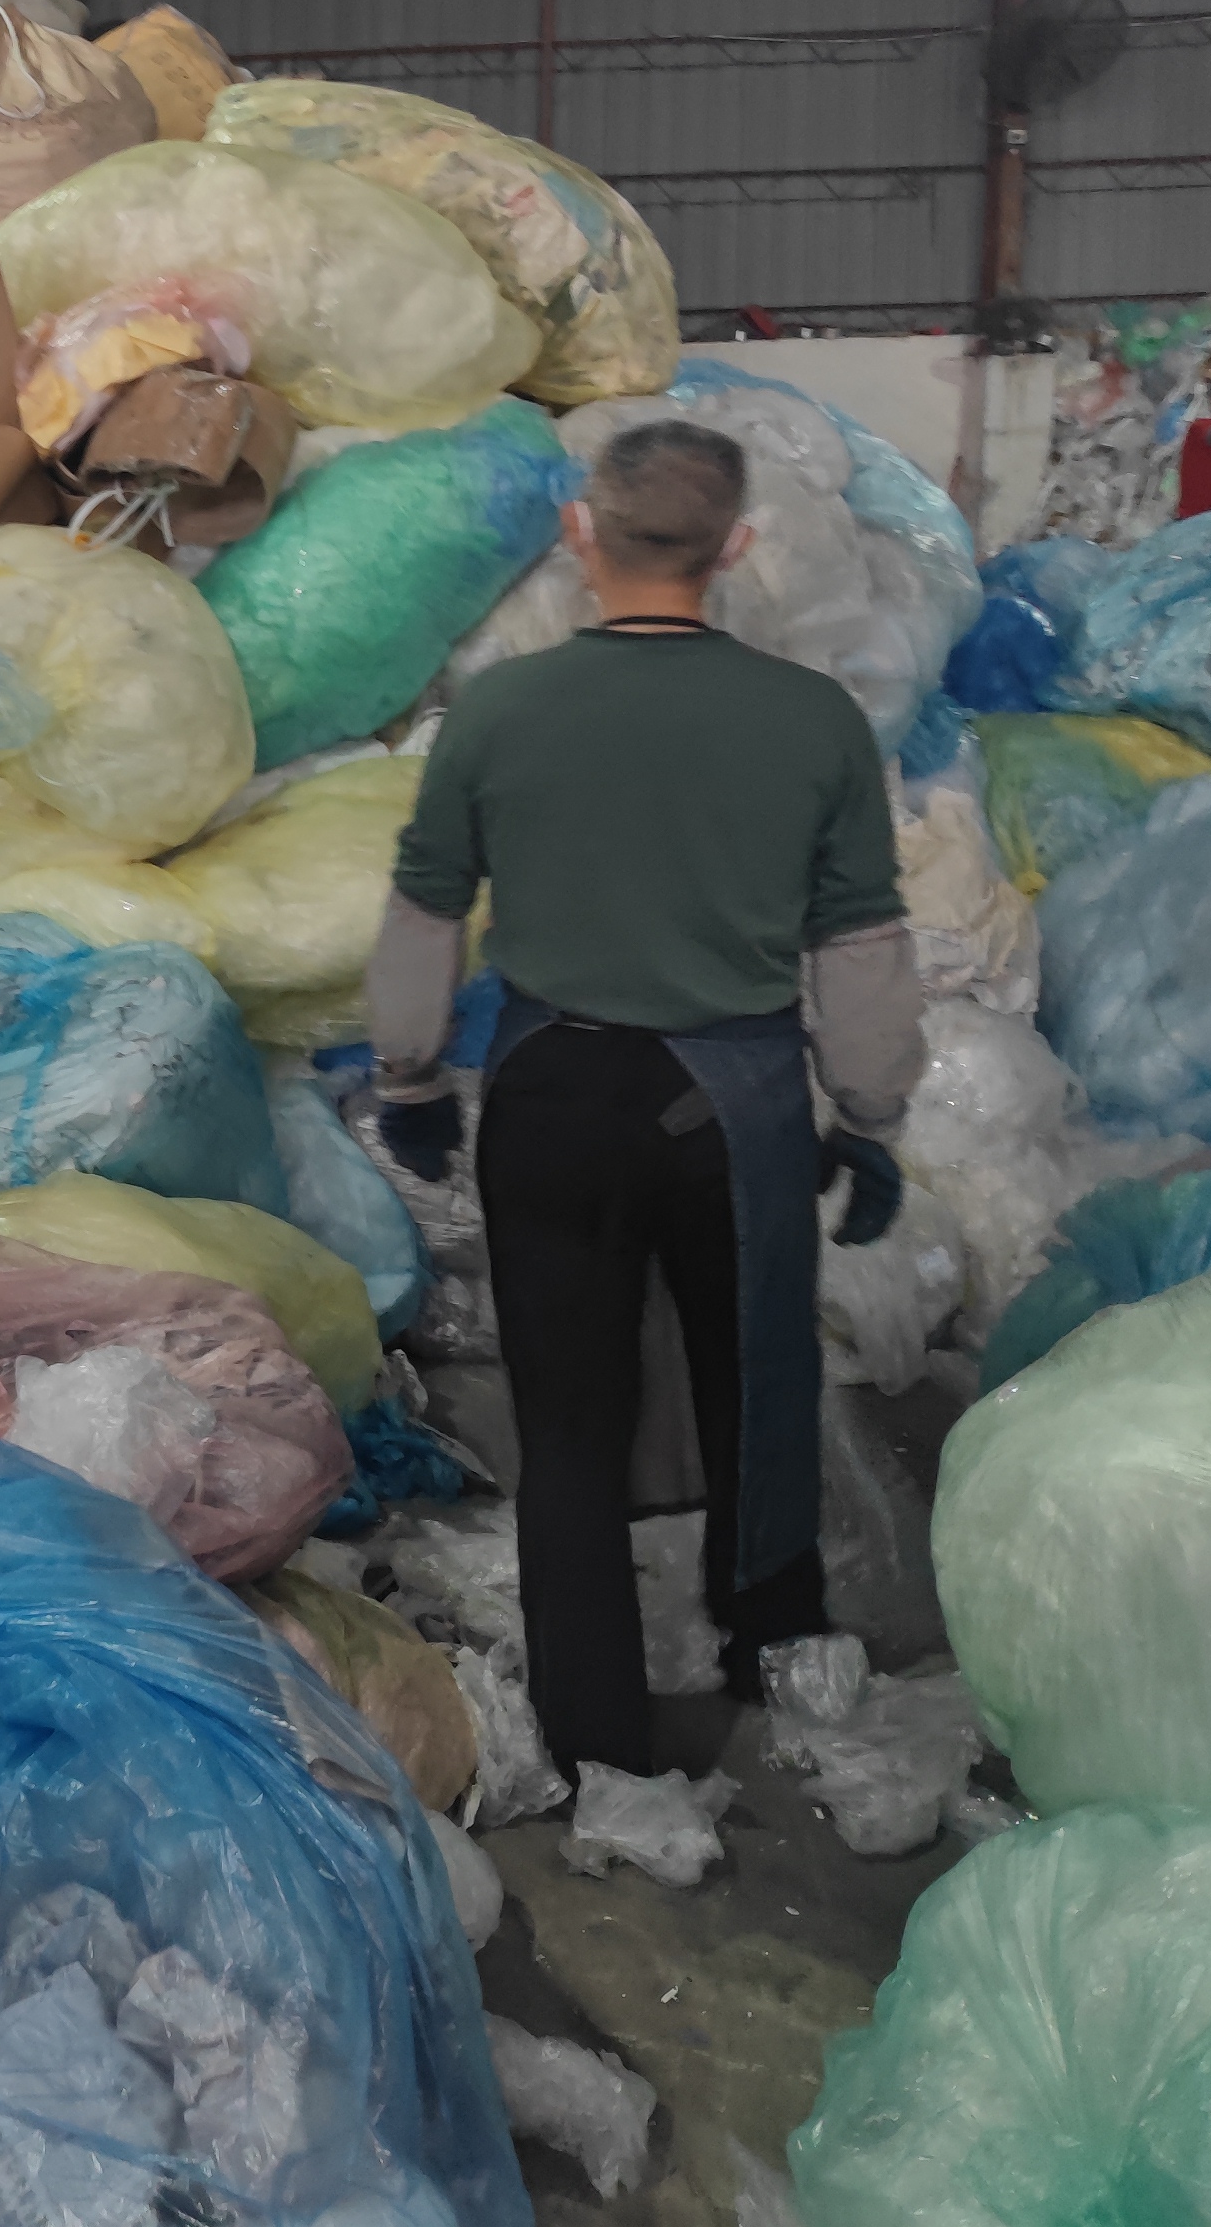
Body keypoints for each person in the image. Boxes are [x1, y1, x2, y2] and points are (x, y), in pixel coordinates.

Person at [360, 419, 921, 1782]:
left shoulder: (499, 712)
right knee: (758, 1391)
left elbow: (425, 910)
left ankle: (596, 1738)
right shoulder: (812, 721)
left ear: (580, 537)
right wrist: (868, 1118)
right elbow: (859, 944)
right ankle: (775, 1653)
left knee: (569, 1429)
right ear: (736, 549)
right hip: (735, 1109)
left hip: (553, 1095)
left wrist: (410, 1076)